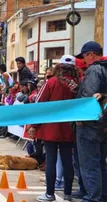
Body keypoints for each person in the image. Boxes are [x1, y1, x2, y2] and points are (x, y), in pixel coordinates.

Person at [29, 55, 81, 201]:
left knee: (51, 160)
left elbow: (40, 103)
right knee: (67, 161)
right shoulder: (78, 83)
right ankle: (68, 194)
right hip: (69, 128)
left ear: (59, 66)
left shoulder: (51, 82)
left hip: (51, 128)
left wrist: (34, 125)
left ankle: (50, 194)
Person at [75, 41, 107, 202]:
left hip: (90, 124)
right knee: (101, 163)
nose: (84, 61)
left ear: (91, 54)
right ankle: (102, 196)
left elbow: (88, 96)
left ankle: (93, 197)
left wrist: (79, 118)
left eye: (84, 57)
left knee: (89, 163)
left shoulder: (94, 69)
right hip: (103, 124)